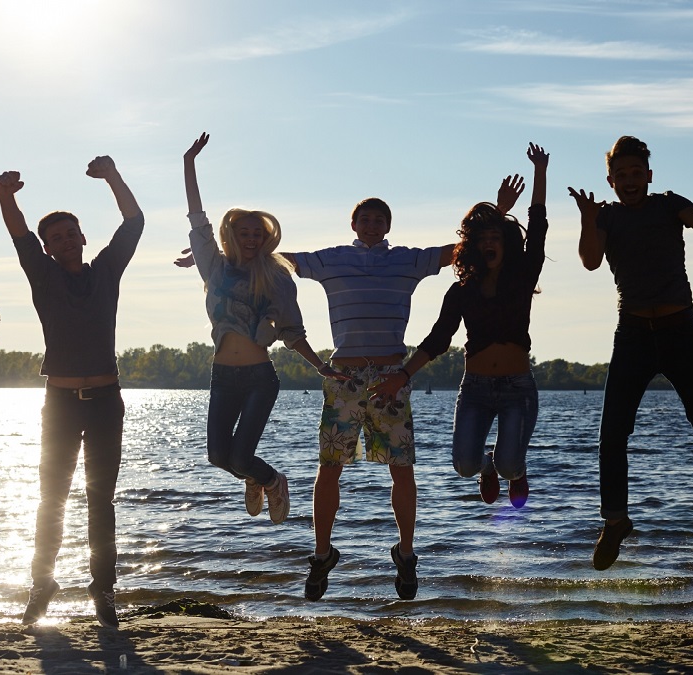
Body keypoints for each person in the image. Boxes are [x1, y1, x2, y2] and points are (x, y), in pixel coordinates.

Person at [568, 136, 693, 571]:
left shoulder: (668, 205)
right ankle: (615, 520)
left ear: (649, 175)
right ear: (610, 181)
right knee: (611, 435)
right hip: (632, 334)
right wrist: (588, 220)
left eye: (636, 174)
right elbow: (590, 262)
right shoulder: (606, 216)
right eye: (620, 176)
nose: (629, 181)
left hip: (681, 329)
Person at [0, 154, 143, 628]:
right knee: (51, 497)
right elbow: (18, 234)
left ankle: (103, 591)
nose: (63, 241)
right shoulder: (43, 275)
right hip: (58, 405)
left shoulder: (106, 272)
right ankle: (43, 584)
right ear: (48, 247)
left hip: (105, 402)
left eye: (69, 233)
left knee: (101, 501)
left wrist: (112, 176)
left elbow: (134, 221)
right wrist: (4, 196)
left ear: (82, 237)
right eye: (53, 238)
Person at [283, 196, 455, 603]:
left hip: (391, 377)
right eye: (366, 218)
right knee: (330, 468)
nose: (373, 224)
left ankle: (406, 554)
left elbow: (457, 252)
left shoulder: (408, 260)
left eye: (380, 219)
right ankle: (322, 554)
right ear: (354, 223)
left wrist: (496, 213)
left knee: (402, 469)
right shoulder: (333, 259)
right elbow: (282, 259)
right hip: (343, 376)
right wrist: (231, 250)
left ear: (388, 226)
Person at [180, 133, 349, 525]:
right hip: (222, 375)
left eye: (258, 233)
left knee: (239, 456)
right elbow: (196, 218)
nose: (252, 238)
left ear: (266, 236)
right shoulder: (214, 267)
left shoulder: (274, 276)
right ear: (232, 235)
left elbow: (292, 329)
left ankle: (272, 480)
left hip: (259, 377)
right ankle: (256, 478)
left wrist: (318, 365)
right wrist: (189, 163)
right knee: (217, 456)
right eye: (245, 233)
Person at [372, 143, 549, 509]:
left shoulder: (522, 275)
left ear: (505, 244)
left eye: (495, 238)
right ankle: (487, 466)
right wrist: (402, 376)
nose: (489, 244)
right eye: (482, 240)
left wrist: (539, 172)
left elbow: (538, 225)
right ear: (472, 248)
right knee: (464, 465)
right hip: (476, 389)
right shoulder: (461, 291)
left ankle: (515, 470)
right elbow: (438, 339)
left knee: (511, 464)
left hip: (518, 387)